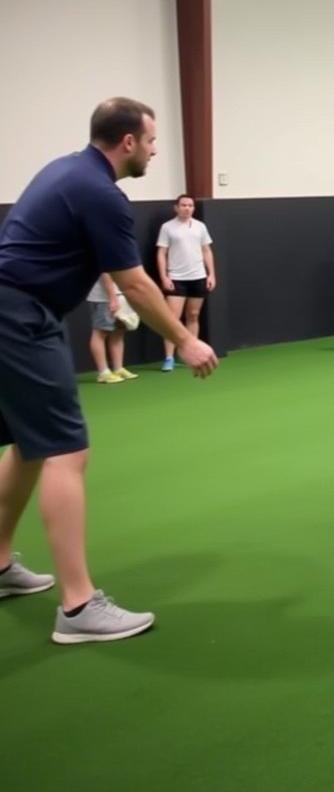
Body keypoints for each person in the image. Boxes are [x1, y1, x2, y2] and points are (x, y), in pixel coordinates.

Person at [0, 98, 218, 644]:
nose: (154, 149)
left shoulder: (66, 171)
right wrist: (185, 339)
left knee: (29, 444)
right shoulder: (100, 193)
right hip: (19, 316)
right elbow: (140, 282)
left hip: (14, 309)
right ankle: (77, 609)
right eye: (150, 141)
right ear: (127, 142)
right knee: (65, 450)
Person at [156, 194, 215, 372]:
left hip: (198, 277)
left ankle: (190, 355)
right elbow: (161, 254)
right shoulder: (167, 228)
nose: (187, 208)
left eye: (190, 205)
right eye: (183, 205)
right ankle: (168, 357)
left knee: (193, 315)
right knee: (171, 320)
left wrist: (211, 274)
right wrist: (165, 277)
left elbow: (206, 250)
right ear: (176, 208)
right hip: (176, 279)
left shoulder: (200, 227)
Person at [86, 273, 137, 384]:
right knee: (100, 333)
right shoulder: (104, 255)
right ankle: (103, 373)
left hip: (120, 295)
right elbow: (105, 273)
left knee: (119, 332)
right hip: (104, 298)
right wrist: (112, 297)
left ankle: (118, 369)